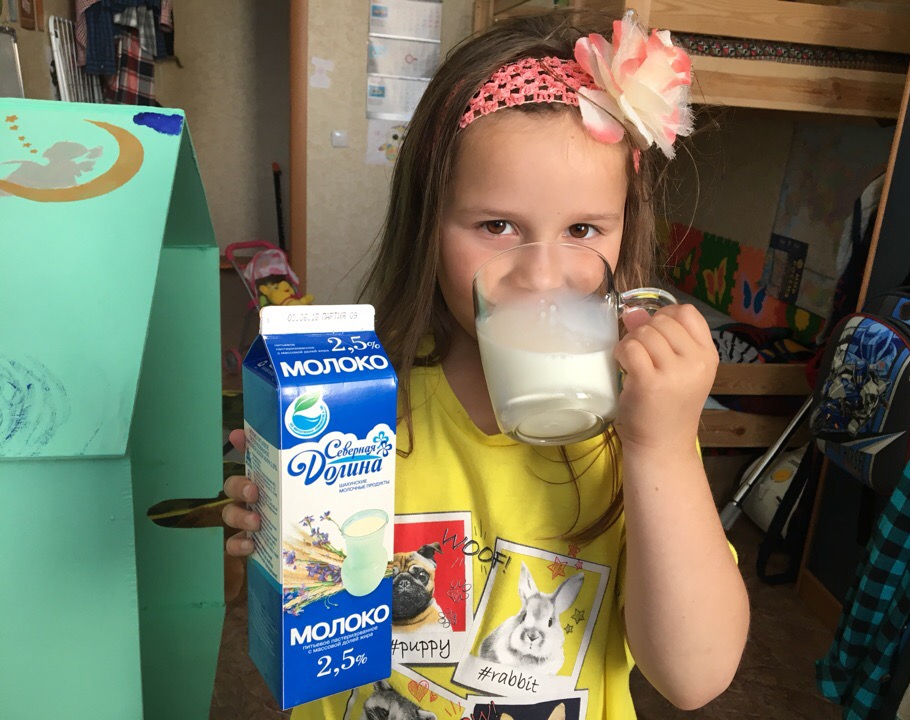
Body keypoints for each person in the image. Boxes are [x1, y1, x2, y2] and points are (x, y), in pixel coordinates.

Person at [222, 9, 749, 719]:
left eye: (583, 229)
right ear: (428, 224)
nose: (542, 276)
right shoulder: (355, 406)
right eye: (497, 226)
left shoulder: (644, 422)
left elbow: (695, 676)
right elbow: (291, 613)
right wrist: (274, 531)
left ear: (624, 234)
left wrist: (662, 448)